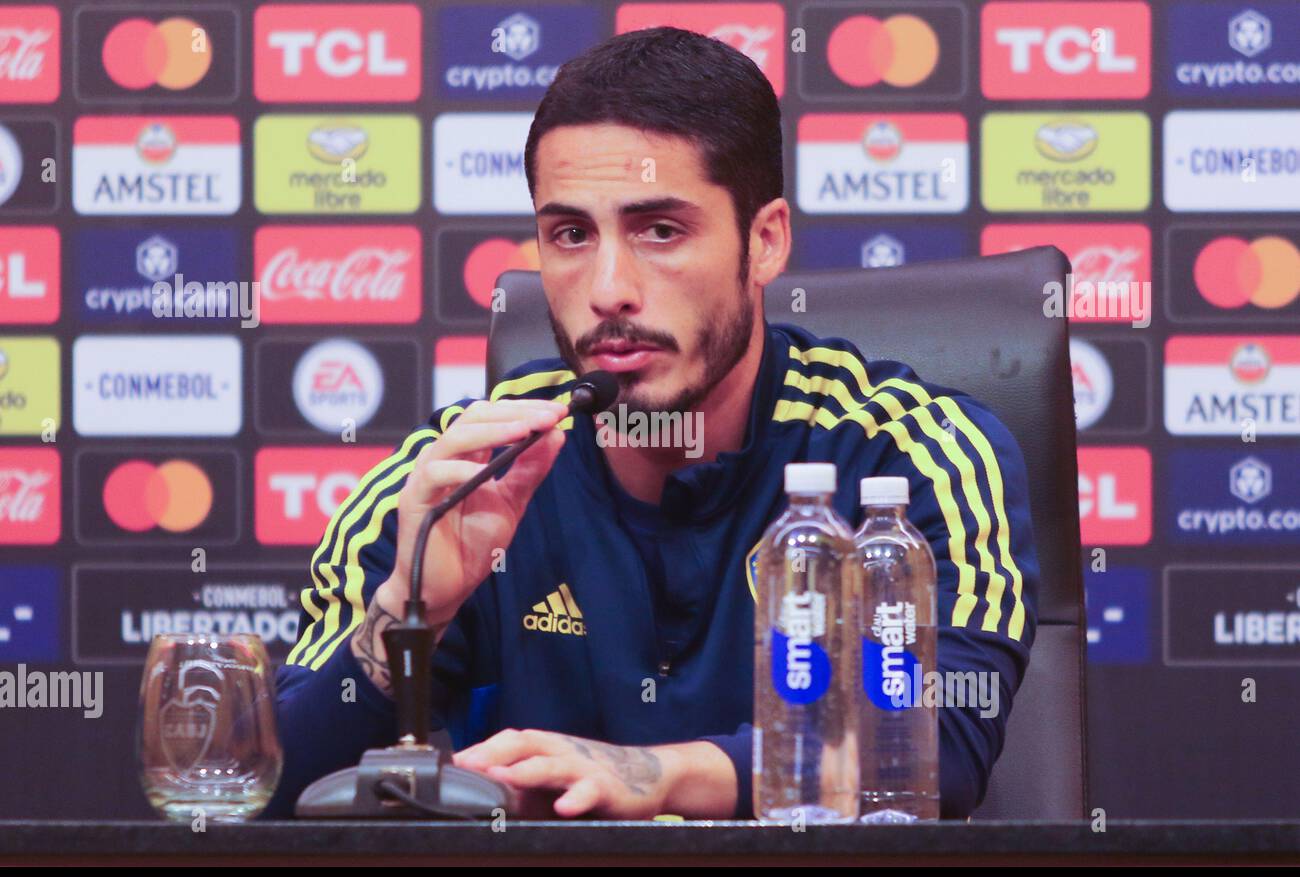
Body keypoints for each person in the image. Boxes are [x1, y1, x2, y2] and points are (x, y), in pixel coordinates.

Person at [268, 26, 1039, 820]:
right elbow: (267, 792)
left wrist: (654, 774)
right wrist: (407, 617)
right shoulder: (458, 475)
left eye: (659, 231)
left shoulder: (913, 453)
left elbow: (935, 745)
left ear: (765, 241)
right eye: (571, 234)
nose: (609, 289)